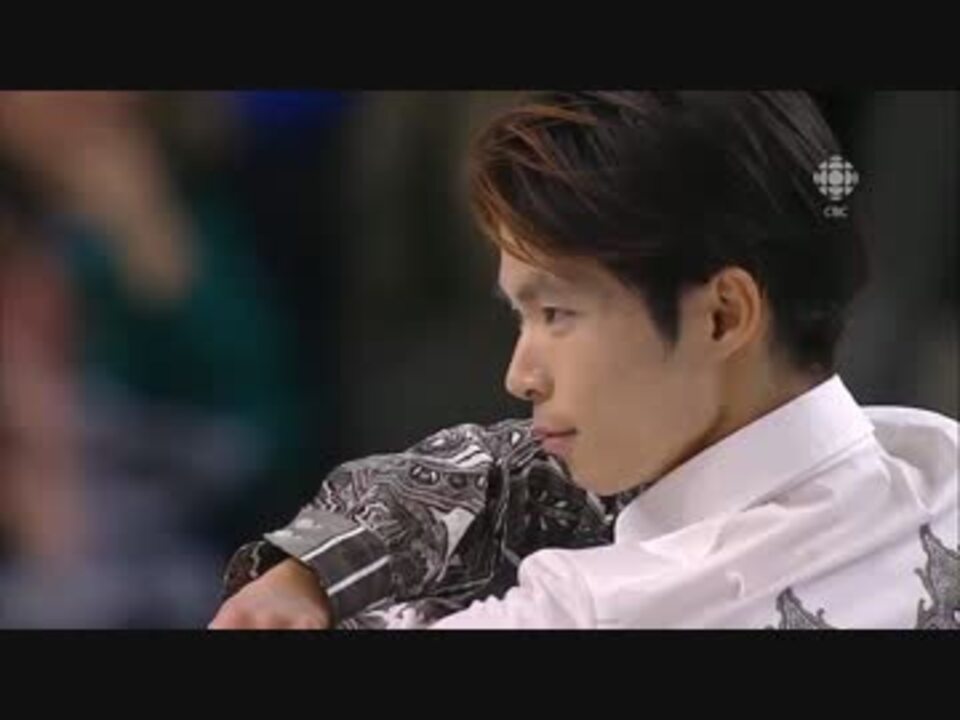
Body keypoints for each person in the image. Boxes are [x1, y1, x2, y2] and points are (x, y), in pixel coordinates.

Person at [209, 91, 958, 630]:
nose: (520, 375)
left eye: (556, 314)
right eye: (523, 317)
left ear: (723, 314)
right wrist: (320, 563)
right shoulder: (940, 459)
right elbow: (521, 469)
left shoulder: (597, 610)